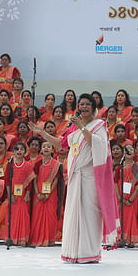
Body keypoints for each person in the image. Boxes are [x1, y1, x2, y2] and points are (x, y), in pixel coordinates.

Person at [31, 93, 118, 263]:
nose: (84, 107)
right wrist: (42, 134)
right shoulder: (73, 127)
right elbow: (61, 145)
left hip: (90, 178)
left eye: (87, 104)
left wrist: (82, 128)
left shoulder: (99, 125)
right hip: (75, 178)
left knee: (90, 215)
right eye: (81, 104)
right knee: (73, 213)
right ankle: (73, 253)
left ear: (93, 107)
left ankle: (90, 253)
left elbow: (98, 144)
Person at [30, 141, 63, 247]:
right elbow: (34, 179)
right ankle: (37, 239)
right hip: (38, 193)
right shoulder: (38, 164)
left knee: (50, 216)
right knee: (37, 217)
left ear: (52, 150)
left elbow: (56, 180)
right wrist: (37, 193)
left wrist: (48, 194)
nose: (46, 148)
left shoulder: (56, 164)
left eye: (49, 146)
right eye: (44, 147)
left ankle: (48, 239)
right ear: (41, 150)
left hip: (51, 194)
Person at [6, 142, 35, 246]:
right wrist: (10, 195)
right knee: (12, 217)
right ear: (13, 152)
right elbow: (6, 181)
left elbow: (30, 181)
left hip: (23, 196)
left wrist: (27, 194)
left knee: (24, 217)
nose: (19, 151)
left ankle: (22, 239)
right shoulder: (10, 164)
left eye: (21, 149)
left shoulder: (28, 165)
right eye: (17, 149)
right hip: (13, 195)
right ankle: (12, 238)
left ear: (25, 152)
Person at [115, 144, 138, 246]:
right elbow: (115, 182)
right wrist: (119, 197)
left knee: (131, 217)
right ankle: (119, 238)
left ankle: (130, 239)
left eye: (131, 149)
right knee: (120, 217)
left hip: (132, 198)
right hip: (120, 197)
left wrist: (131, 198)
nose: (129, 151)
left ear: (135, 152)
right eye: (127, 150)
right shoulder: (119, 168)